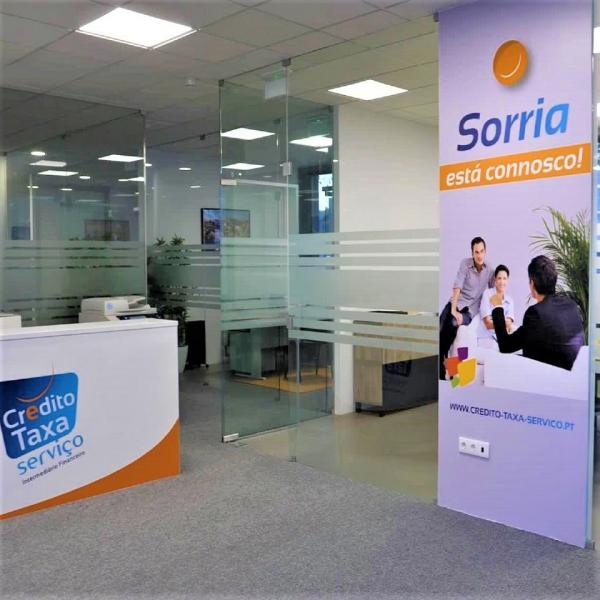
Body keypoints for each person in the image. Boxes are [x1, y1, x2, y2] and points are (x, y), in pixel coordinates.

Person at [490, 255, 584, 370]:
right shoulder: (572, 305)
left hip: (546, 376)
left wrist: (498, 306)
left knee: (499, 362)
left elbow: (505, 345)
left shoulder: (535, 313)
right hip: (574, 375)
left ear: (532, 283)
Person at [439, 236, 494, 379]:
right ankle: (442, 364)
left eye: (482, 251)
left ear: (485, 251)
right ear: (472, 253)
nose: (479, 255)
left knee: (452, 323)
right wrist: (453, 309)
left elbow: (493, 292)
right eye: (476, 252)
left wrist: (495, 313)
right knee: (441, 325)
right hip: (457, 302)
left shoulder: (489, 269)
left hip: (470, 310)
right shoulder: (465, 264)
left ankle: (447, 368)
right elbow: (457, 286)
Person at [478, 264, 514, 348]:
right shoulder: (488, 294)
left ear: (507, 280)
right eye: (499, 278)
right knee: (497, 348)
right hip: (486, 336)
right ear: (495, 279)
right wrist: (504, 323)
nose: (502, 282)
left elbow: (509, 323)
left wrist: (497, 322)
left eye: (504, 278)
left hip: (502, 337)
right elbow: (488, 323)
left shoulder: (509, 300)